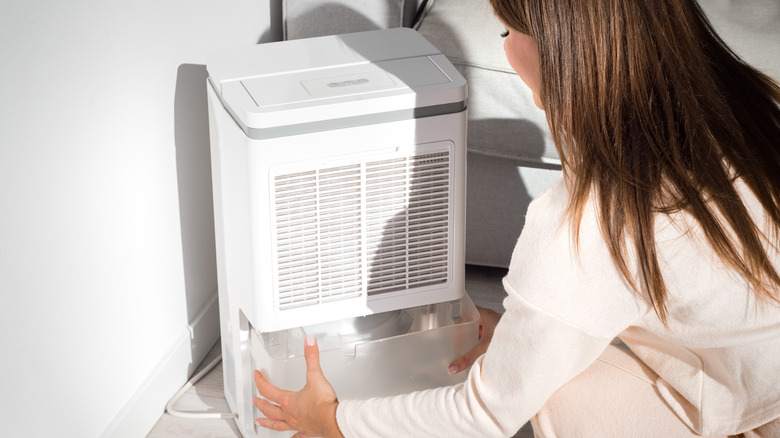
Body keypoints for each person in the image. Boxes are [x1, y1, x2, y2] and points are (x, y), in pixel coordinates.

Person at [252, 0, 780, 436]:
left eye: (507, 29)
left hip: (758, 412)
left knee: (559, 395)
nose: (505, 48)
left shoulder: (589, 222)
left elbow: (485, 412)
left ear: (562, 48)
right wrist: (526, 332)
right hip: (757, 377)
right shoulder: (755, 95)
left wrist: (333, 421)